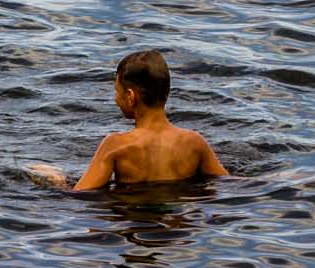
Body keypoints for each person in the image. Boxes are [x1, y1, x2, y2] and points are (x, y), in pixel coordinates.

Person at [35, 49, 228, 189]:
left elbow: (80, 195)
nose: (115, 99)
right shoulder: (195, 142)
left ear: (130, 96)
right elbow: (227, 182)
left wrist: (58, 182)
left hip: (131, 219)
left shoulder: (116, 145)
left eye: (116, 91)